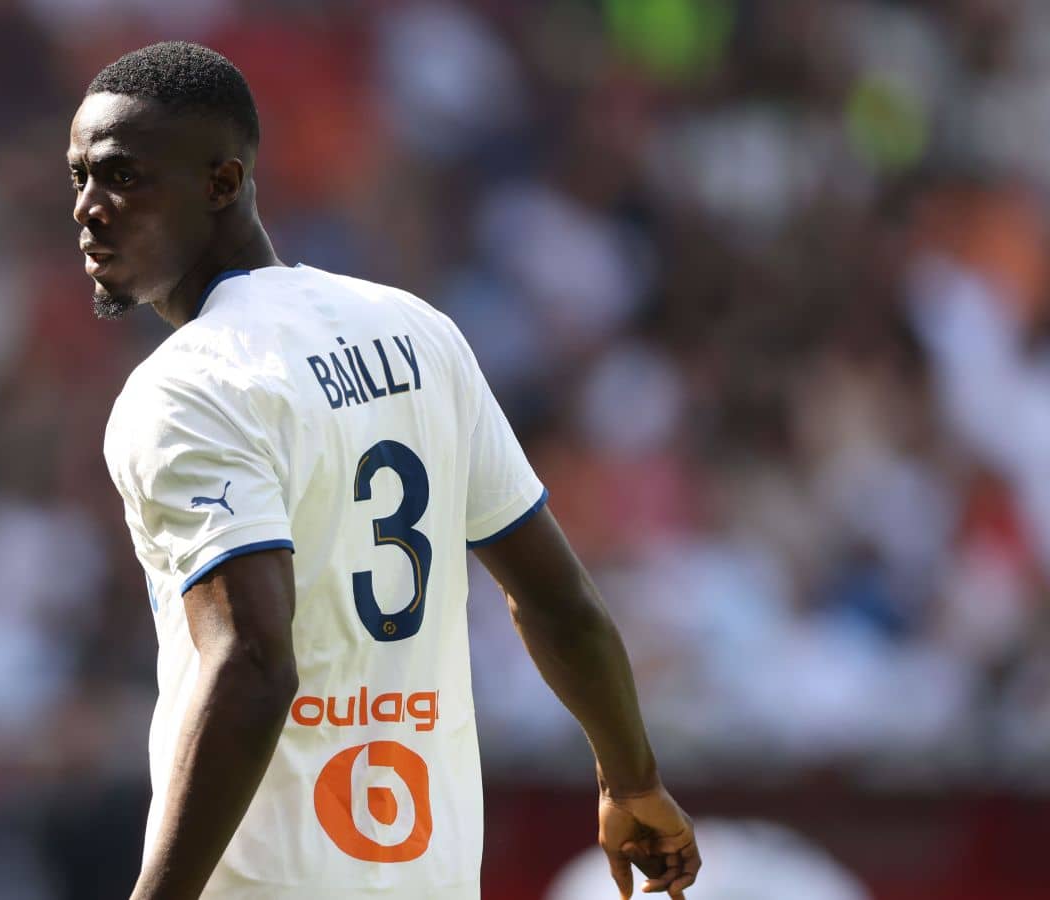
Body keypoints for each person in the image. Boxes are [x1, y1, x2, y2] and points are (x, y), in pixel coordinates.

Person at [72, 41, 700, 900]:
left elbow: (253, 664)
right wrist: (632, 781)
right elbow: (560, 603)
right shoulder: (415, 332)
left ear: (222, 182)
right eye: (79, 177)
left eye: (122, 176)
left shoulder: (189, 387)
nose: (89, 207)